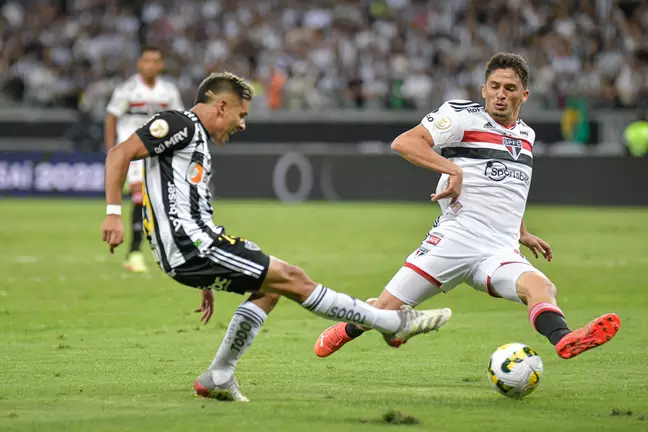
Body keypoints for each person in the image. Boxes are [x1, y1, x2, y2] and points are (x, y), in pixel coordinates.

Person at [100, 71, 452, 402]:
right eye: (240, 113)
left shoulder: (199, 143)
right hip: (191, 245)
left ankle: (219, 375)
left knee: (270, 289)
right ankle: (391, 322)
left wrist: (204, 278)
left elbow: (182, 203)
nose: (243, 123)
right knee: (292, 278)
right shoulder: (180, 123)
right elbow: (120, 153)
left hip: (196, 245)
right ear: (220, 105)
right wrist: (114, 214)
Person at [314, 52, 621, 361]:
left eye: (510, 89)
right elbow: (405, 142)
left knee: (541, 287)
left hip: (500, 249)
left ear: (524, 95)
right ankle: (348, 328)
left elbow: (509, 189)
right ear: (483, 89)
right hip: (455, 239)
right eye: (494, 86)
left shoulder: (526, 135)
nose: (501, 95)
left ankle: (565, 339)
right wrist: (452, 169)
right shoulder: (461, 117)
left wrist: (522, 231)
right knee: (384, 310)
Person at [105, 46, 184, 273]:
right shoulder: (127, 90)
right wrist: (113, 152)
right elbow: (111, 119)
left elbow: (178, 120)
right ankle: (134, 253)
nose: (151, 65)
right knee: (140, 196)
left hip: (158, 151)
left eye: (156, 60)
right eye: (147, 60)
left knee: (160, 200)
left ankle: (160, 247)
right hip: (132, 151)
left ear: (161, 65)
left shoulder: (168, 91)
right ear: (140, 64)